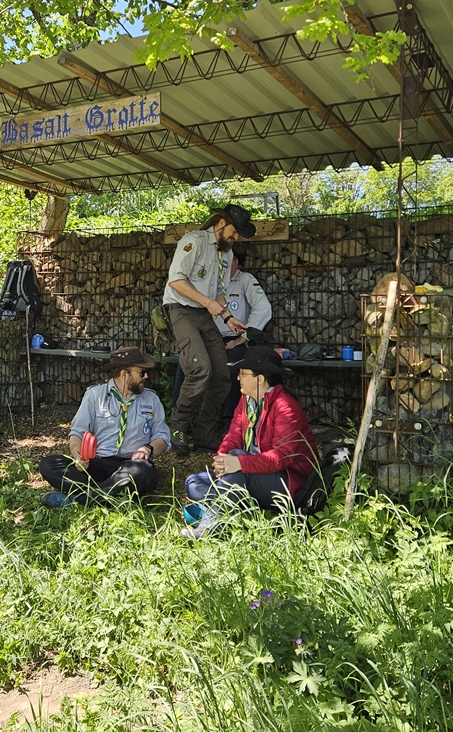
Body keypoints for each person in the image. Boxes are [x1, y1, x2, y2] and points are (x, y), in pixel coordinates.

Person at [181, 346, 318, 539]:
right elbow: (234, 434)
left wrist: (238, 463)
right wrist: (222, 459)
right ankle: (235, 506)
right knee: (193, 482)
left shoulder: (285, 407)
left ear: (260, 379)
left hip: (288, 482)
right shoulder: (246, 400)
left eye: (243, 374)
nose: (238, 378)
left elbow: (280, 458)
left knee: (237, 462)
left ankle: (210, 526)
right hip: (249, 472)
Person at [162, 202, 256, 454]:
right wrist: (208, 304)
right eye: (235, 231)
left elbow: (219, 292)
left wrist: (227, 317)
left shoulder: (226, 252)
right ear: (222, 223)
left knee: (222, 375)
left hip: (205, 314)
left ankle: (205, 434)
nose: (236, 237)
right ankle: (178, 428)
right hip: (180, 310)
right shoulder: (194, 241)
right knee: (200, 369)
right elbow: (176, 281)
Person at [38, 346, 172, 508]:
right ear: (124, 374)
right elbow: (77, 433)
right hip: (96, 464)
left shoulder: (151, 399)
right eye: (141, 372)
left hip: (131, 465)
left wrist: (147, 449)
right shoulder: (94, 395)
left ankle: (79, 499)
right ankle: (107, 495)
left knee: (143, 471)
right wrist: (78, 457)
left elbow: (163, 437)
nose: (146, 376)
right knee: (48, 464)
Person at [171, 245, 274, 411]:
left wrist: (246, 335)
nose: (221, 265)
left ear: (235, 262)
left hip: (233, 339)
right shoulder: (208, 282)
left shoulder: (245, 280)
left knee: (234, 367)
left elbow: (263, 308)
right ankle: (178, 412)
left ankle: (230, 416)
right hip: (208, 338)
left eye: (226, 261)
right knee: (187, 363)